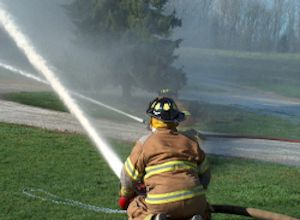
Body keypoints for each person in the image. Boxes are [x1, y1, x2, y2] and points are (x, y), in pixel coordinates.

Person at [119, 97, 211, 220]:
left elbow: (128, 178)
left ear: (152, 120)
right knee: (205, 209)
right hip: (194, 201)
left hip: (161, 204)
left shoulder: (145, 142)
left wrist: (125, 195)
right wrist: (194, 192)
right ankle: (196, 216)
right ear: (176, 120)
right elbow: (205, 175)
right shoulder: (190, 141)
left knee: (135, 206)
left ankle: (153, 219)